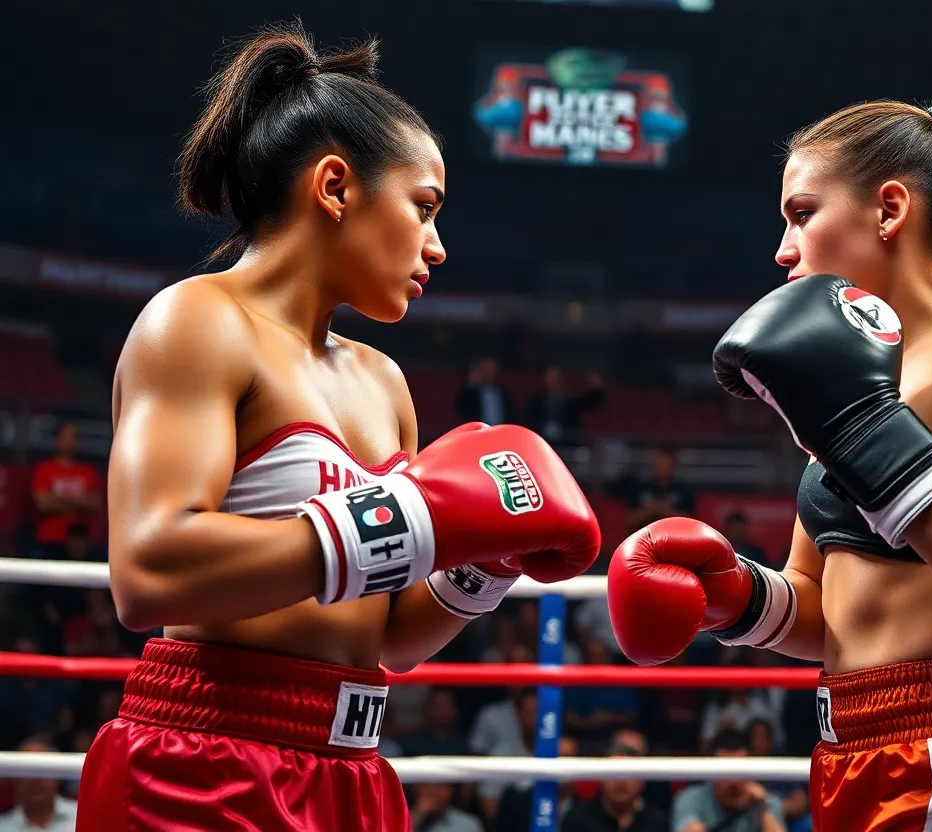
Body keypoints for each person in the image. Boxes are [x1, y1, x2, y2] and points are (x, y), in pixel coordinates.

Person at [75, 22, 601, 832]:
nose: (438, 244)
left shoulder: (382, 382)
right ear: (334, 187)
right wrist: (411, 517)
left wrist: (480, 568)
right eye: (423, 207)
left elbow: (391, 637)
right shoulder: (199, 320)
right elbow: (149, 573)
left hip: (353, 765)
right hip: (207, 756)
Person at [608, 86, 932, 830]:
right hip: (852, 751)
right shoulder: (848, 370)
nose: (782, 248)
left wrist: (869, 436)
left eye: (802, 213)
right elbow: (826, 608)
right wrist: (736, 597)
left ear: (889, 210)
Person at [671, 729, 785, 832]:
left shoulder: (769, 803)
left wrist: (763, 810)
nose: (733, 781)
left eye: (739, 771)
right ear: (711, 771)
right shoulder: (690, 799)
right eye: (726, 772)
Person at [560, 730, 669, 832]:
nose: (621, 781)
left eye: (629, 773)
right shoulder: (577, 819)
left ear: (642, 781)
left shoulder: (656, 822)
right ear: (601, 778)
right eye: (614, 773)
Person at [30, 421, 102, 559]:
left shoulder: (89, 472)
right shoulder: (44, 469)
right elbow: (44, 503)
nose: (70, 441)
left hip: (82, 543)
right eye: (66, 436)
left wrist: (58, 498)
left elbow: (95, 503)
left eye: (74, 437)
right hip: (50, 540)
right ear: (56, 440)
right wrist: (80, 500)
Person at [0, 736, 78, 832]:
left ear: (57, 774)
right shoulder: (3, 828)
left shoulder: (82, 816)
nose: (35, 779)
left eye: (42, 770)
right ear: (15, 779)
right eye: (27, 770)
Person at [456, 358, 517, 426]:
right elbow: (462, 409)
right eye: (486, 369)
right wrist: (471, 384)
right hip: (478, 430)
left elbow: (512, 416)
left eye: (493, 370)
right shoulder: (472, 393)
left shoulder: (504, 394)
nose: (490, 373)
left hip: (501, 430)